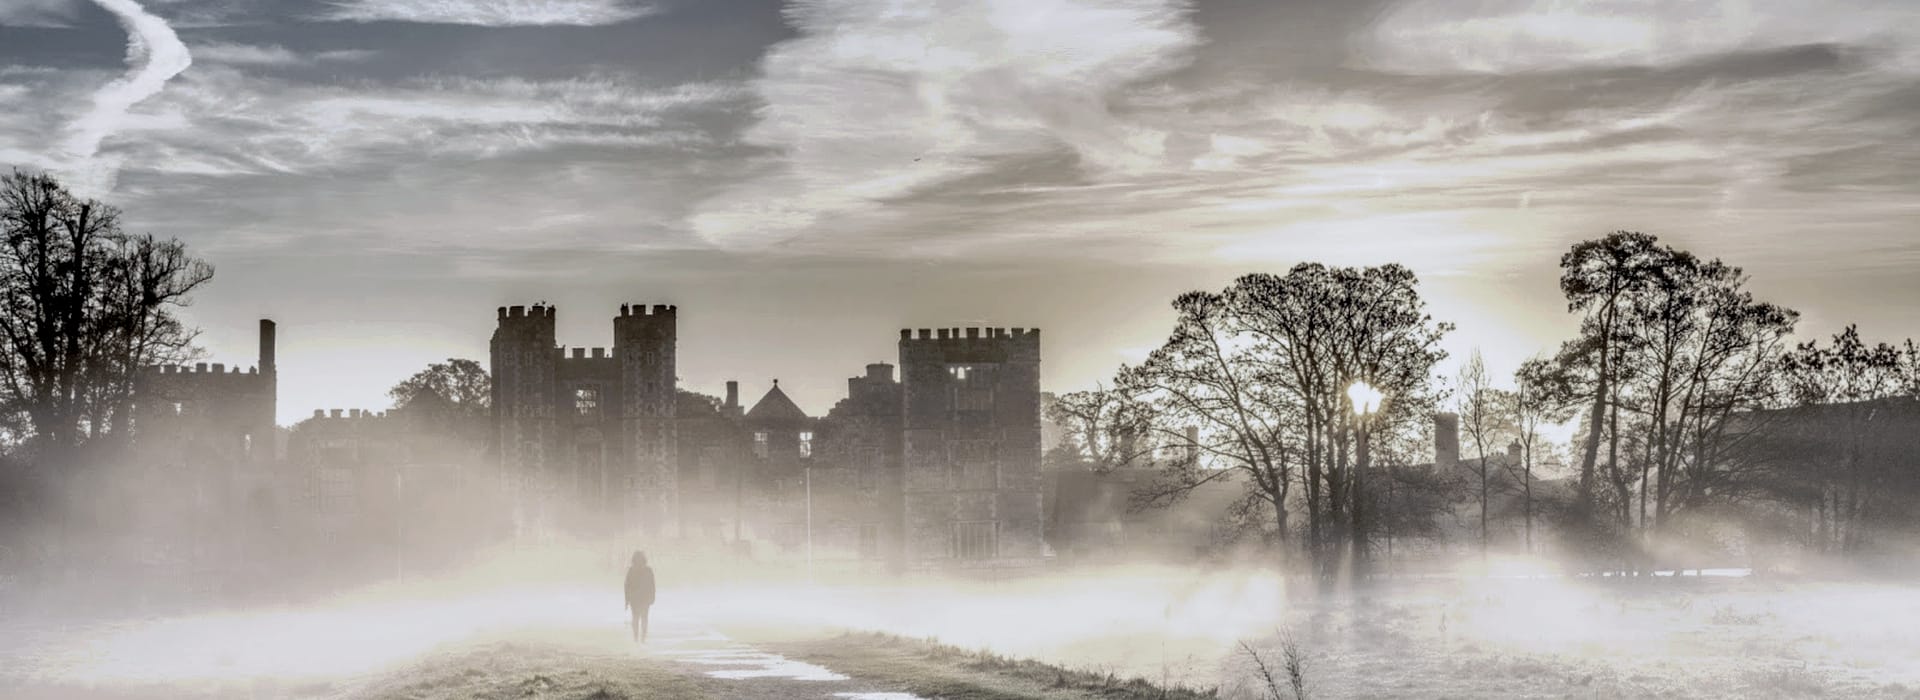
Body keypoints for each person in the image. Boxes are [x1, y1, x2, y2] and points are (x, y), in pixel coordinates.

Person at [624, 550, 656, 643]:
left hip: (640, 599)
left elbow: (652, 585)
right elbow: (627, 585)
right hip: (638, 599)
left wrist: (627, 600)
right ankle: (638, 639)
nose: (638, 561)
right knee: (639, 618)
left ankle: (640, 639)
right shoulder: (642, 570)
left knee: (640, 618)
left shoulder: (646, 570)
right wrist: (626, 600)